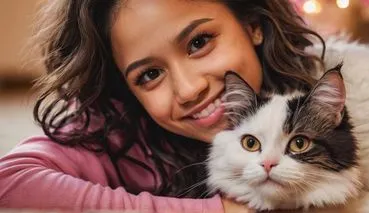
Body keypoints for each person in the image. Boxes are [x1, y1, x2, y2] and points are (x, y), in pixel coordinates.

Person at [0, 0, 326, 212]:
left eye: (199, 42)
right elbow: (10, 181)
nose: (189, 89)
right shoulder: (119, 133)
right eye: (150, 75)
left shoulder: (329, 90)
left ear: (252, 24)